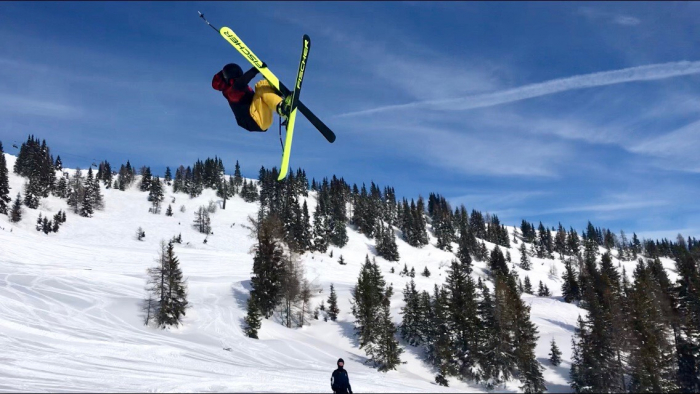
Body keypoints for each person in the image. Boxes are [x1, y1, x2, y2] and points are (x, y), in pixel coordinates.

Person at [211, 63, 291, 132]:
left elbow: (262, 99)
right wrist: (254, 70)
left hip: (262, 120)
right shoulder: (231, 92)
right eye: (236, 79)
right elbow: (239, 84)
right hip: (255, 120)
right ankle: (282, 107)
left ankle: (283, 109)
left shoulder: (242, 90)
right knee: (260, 86)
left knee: (263, 85)